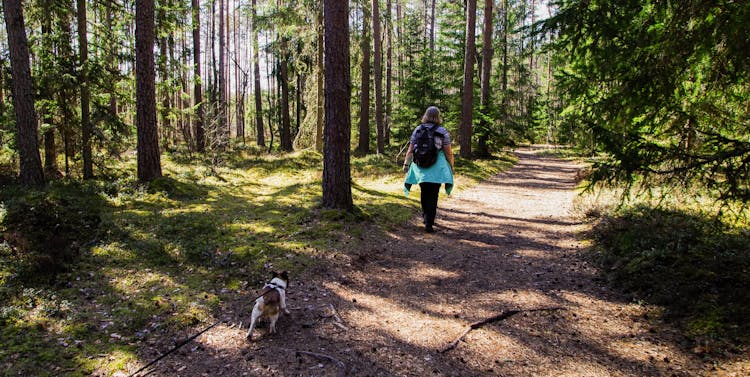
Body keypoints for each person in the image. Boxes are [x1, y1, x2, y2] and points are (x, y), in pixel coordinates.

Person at [402, 106, 455, 233]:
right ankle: (429, 222)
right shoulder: (442, 131)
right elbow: (448, 153)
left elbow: (410, 149)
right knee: (434, 194)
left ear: (425, 115)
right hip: (437, 168)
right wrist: (451, 166)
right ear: (438, 116)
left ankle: (426, 218)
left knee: (424, 193)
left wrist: (406, 164)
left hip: (420, 167)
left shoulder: (418, 130)